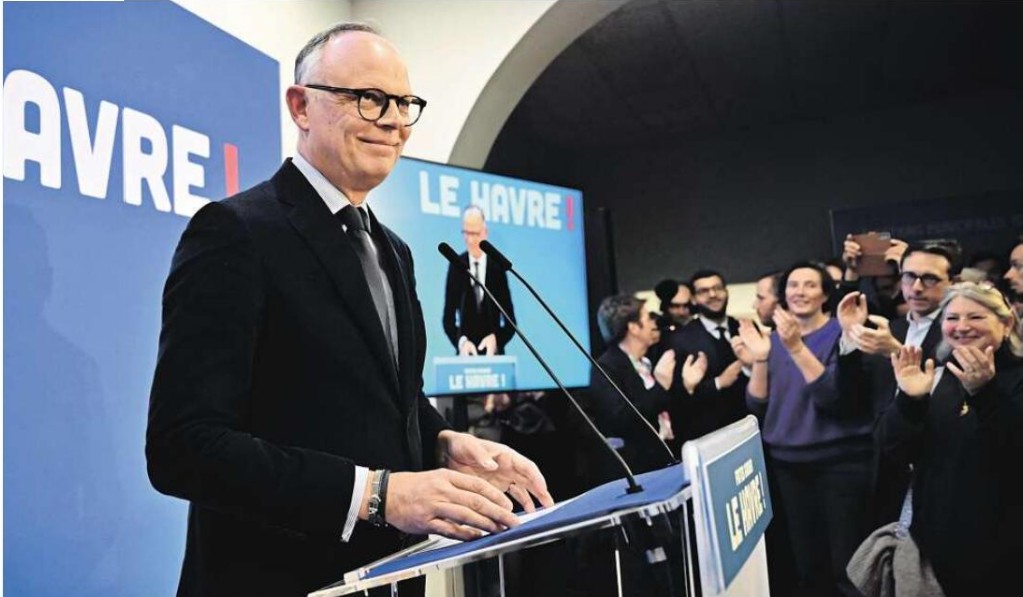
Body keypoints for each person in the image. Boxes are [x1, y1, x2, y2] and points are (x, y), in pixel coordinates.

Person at [146, 23, 552, 597]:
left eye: (404, 104)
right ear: (300, 106)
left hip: (387, 578)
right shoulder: (235, 232)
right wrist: (377, 495)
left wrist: (443, 442)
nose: (392, 121)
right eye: (369, 98)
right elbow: (183, 447)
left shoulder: (395, 249)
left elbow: (384, 400)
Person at [738, 262, 874, 597]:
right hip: (788, 465)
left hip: (839, 463)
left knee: (848, 564)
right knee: (808, 564)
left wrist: (797, 348)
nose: (800, 292)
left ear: (826, 294)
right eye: (793, 285)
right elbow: (757, 406)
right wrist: (760, 357)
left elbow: (832, 398)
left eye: (810, 285)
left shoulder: (842, 334)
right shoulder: (772, 340)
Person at [878, 282, 1023, 596]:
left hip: (1006, 547)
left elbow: (1011, 452)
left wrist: (984, 394)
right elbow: (895, 453)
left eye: (976, 317)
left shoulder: (1016, 377)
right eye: (952, 318)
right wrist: (910, 402)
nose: (962, 327)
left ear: (1006, 323)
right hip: (936, 544)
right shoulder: (937, 376)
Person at [584, 295, 676, 483]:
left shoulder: (648, 360)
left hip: (663, 459)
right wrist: (661, 386)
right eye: (648, 318)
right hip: (637, 472)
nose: (654, 323)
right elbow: (623, 419)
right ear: (633, 327)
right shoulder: (606, 367)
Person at [668, 269, 747, 444]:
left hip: (749, 427)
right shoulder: (680, 339)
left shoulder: (745, 328)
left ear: (726, 291)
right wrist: (718, 383)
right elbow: (676, 396)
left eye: (717, 288)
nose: (713, 295)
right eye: (704, 291)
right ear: (693, 299)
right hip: (708, 435)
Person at [442, 205, 516, 355]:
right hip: (465, 357)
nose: (470, 240)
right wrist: (461, 342)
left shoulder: (497, 267)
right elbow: (448, 320)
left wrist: (496, 340)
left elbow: (510, 322)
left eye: (474, 233)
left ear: (485, 233)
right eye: (466, 233)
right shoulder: (456, 266)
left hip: (494, 357)